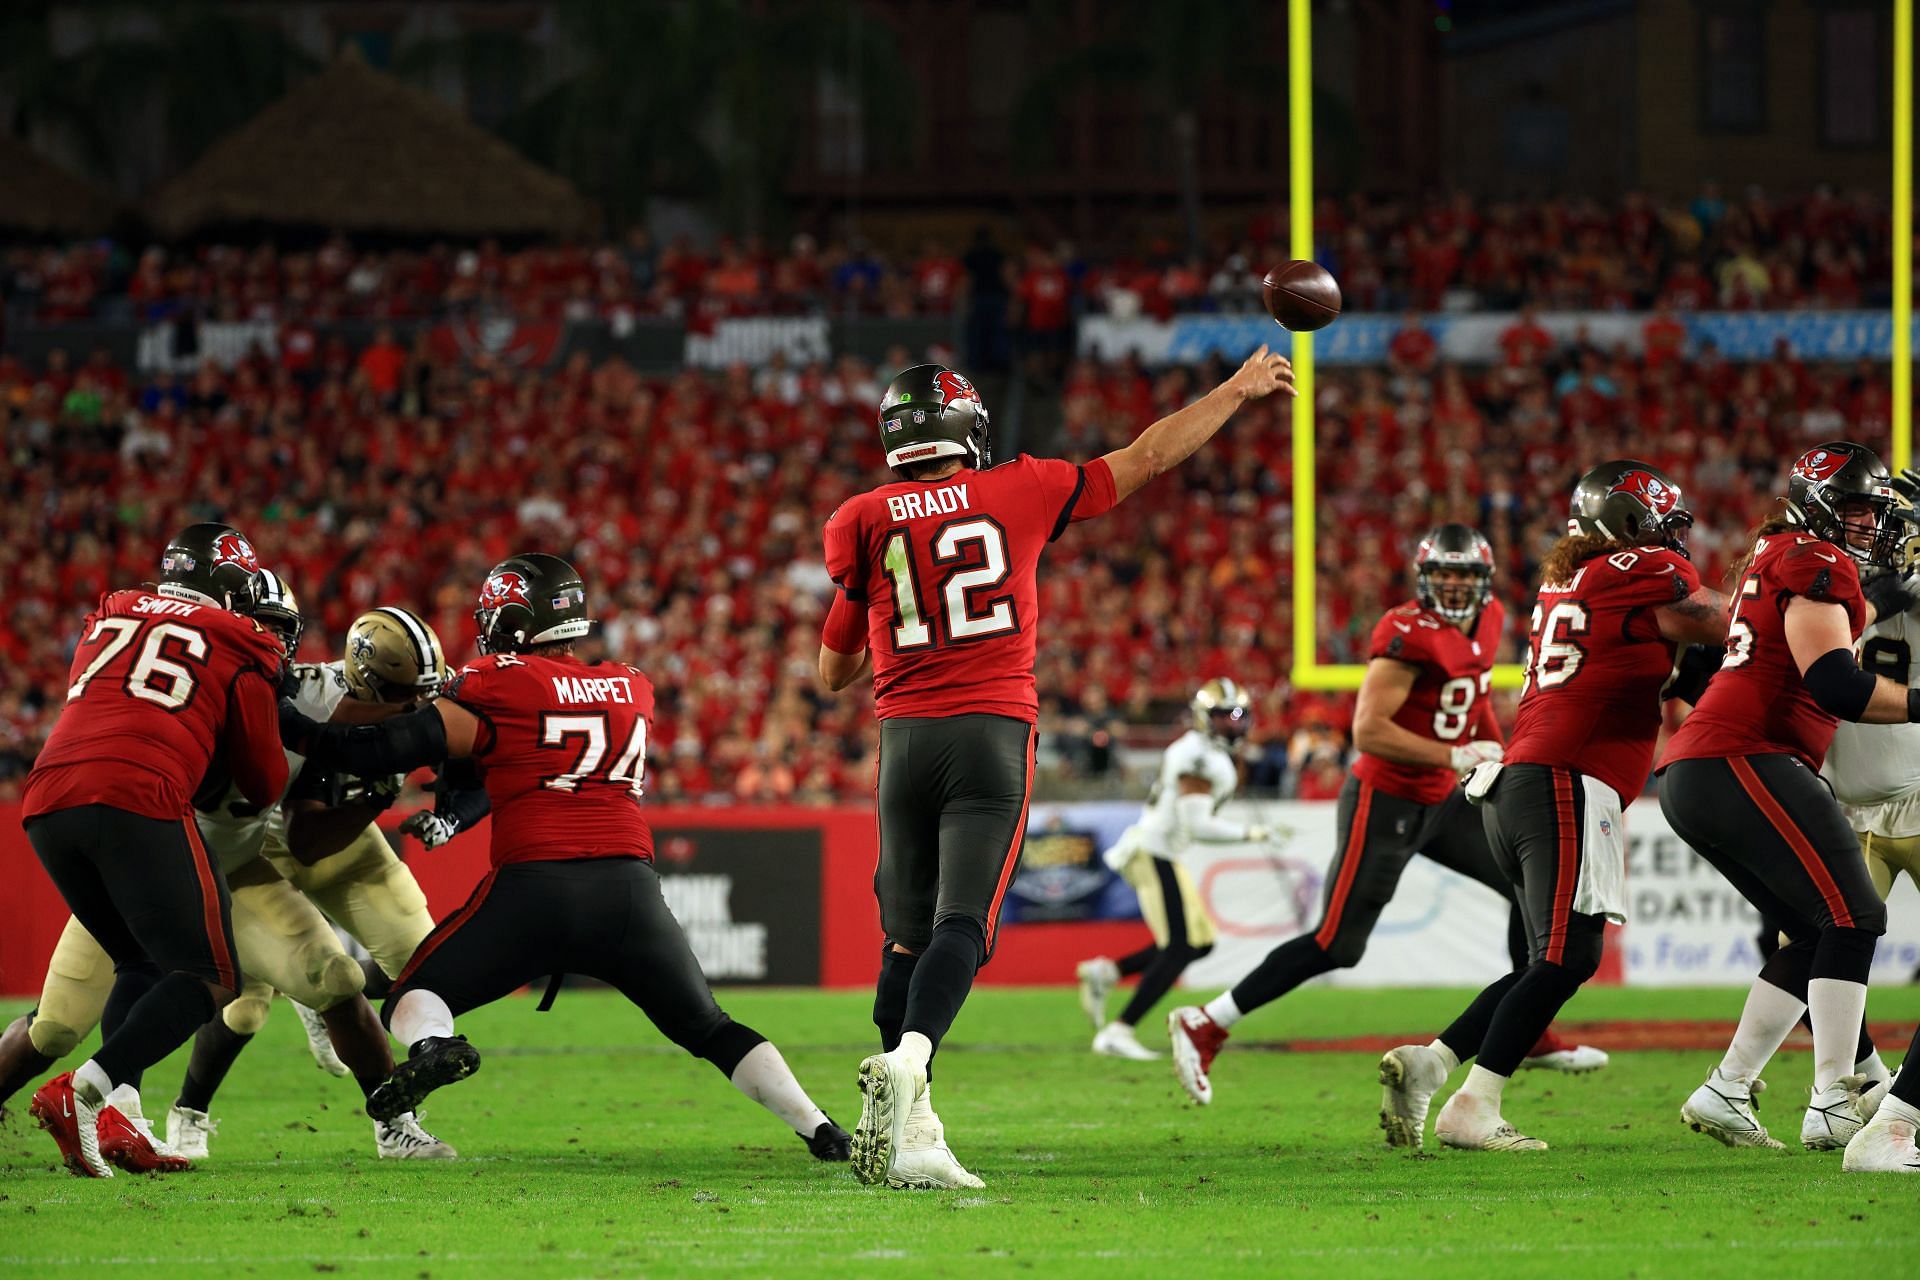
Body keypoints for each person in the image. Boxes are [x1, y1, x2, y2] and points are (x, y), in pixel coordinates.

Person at [818, 350, 1296, 1189]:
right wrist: (1235, 388)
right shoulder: (1021, 487)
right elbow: (1145, 457)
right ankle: (913, 1064)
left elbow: (832, 671)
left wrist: (895, 608)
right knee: (964, 925)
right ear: (971, 428)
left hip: (904, 742)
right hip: (991, 732)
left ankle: (904, 1119)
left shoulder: (861, 517)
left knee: (904, 936)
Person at [276, 553, 850, 1164]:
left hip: (536, 887)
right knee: (709, 1026)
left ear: (513, 621)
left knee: (416, 996)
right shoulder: (633, 685)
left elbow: (376, 749)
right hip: (629, 889)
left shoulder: (496, 681)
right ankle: (820, 1128)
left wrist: (282, 715)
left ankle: (433, 1050)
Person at [0, 588, 464, 1162]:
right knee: (56, 1029)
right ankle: (108, 1104)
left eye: (277, 627)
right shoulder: (201, 693)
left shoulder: (310, 692)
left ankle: (394, 1123)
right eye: (259, 626)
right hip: (155, 863)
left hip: (235, 870)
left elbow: (333, 761)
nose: (271, 640)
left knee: (335, 978)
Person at [1166, 526, 1606, 1108]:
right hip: (1388, 799)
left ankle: (1529, 1029)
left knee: (1526, 880)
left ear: (1483, 581)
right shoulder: (1406, 631)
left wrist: (1496, 756)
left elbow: (1471, 703)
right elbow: (1367, 731)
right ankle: (1206, 1021)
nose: (1453, 587)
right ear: (1424, 579)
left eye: (1464, 576)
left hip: (1444, 800)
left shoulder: (1493, 616)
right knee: (1336, 944)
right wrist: (1453, 755)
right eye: (1443, 575)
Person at [1377, 461, 1727, 1150]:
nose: (1671, 536)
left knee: (1547, 961)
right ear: (1629, 525)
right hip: (1564, 781)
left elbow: (1673, 661)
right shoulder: (1637, 568)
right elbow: (1725, 620)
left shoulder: (1576, 576)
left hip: (1525, 781)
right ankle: (1474, 1105)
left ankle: (1433, 1064)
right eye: (1659, 521)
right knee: (1567, 958)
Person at [1663, 442, 1920, 1152]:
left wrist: (1879, 599)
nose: (1869, 523)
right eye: (1857, 507)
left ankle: (1728, 1089)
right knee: (1855, 913)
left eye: (1875, 509)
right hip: (1744, 755)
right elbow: (1837, 685)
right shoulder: (1816, 558)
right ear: (1819, 503)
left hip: (1713, 766)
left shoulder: (1784, 553)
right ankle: (1835, 1096)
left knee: (1814, 932)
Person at [23, 523, 287, 1177]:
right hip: (135, 794)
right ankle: (82, 1090)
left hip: (48, 798)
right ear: (232, 585)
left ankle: (122, 1117)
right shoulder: (239, 637)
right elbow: (264, 781)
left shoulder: (110, 611)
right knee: (213, 977)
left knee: (136, 960)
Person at [1077, 680, 1264, 1061]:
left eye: (1239, 714)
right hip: (1153, 851)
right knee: (1179, 947)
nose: (1232, 723)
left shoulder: (1205, 752)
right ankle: (1119, 1030)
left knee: (1200, 943)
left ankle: (1109, 972)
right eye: (1222, 715)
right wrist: (1252, 833)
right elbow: (1199, 826)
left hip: (1162, 851)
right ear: (1203, 718)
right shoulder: (1198, 756)